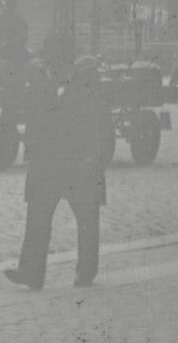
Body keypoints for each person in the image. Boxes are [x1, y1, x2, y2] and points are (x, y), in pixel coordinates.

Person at [6, 55, 112, 290]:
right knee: (38, 217)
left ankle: (85, 273)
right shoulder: (51, 88)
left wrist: (94, 162)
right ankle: (32, 272)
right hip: (52, 167)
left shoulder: (93, 96)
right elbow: (41, 123)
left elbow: (104, 133)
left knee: (85, 222)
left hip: (81, 168)